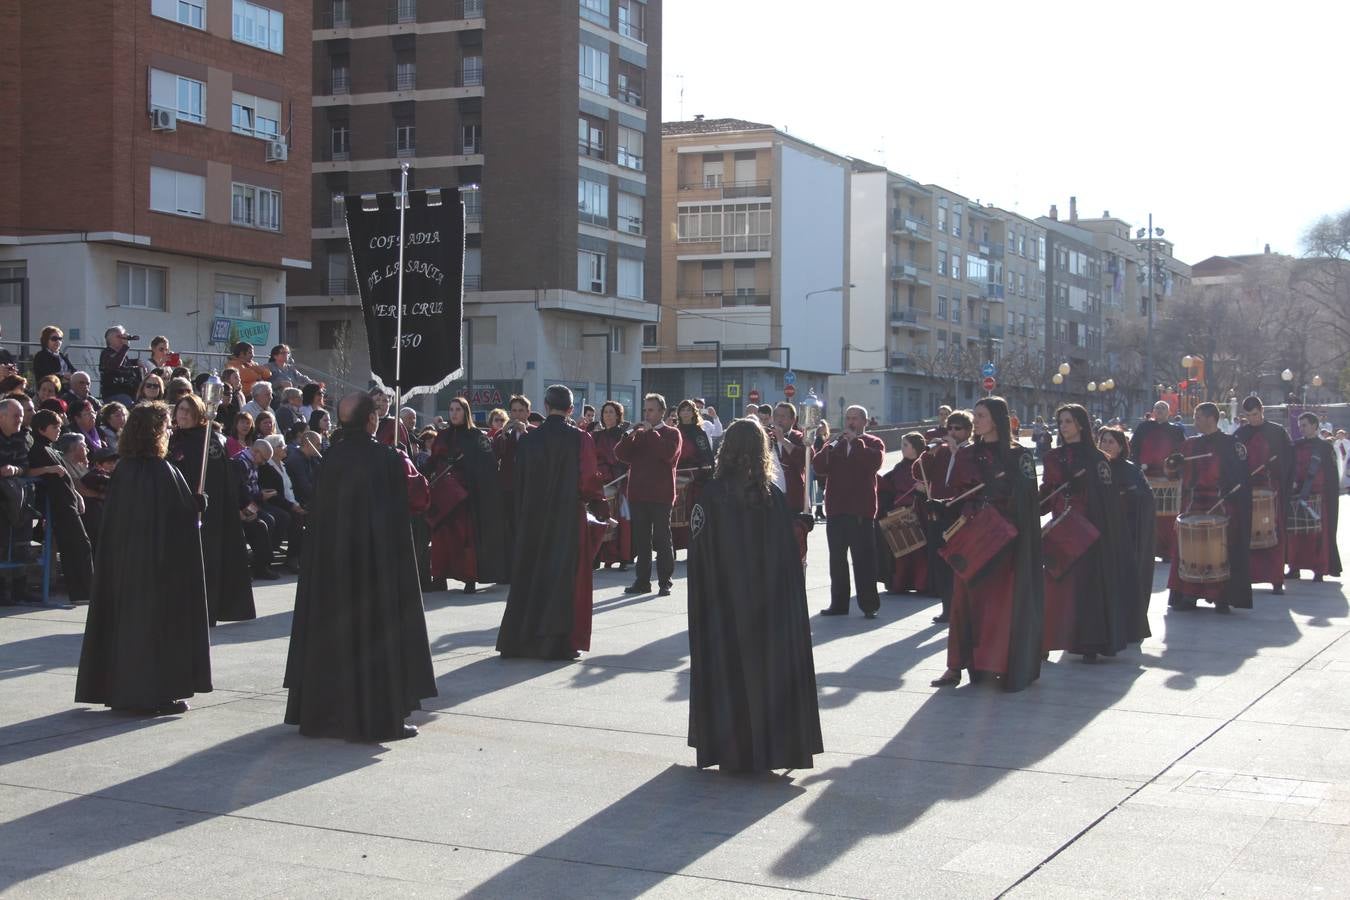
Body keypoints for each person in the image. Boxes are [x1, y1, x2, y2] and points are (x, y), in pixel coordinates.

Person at [283, 392, 436, 741]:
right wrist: (407, 462)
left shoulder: (331, 459)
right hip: (376, 564)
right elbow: (419, 497)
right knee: (376, 635)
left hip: (333, 566)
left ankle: (327, 714)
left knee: (334, 633)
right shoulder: (387, 458)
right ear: (372, 421)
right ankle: (377, 713)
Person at [686, 418, 824, 773]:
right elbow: (784, 556)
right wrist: (799, 526)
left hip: (724, 609)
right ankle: (768, 748)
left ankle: (731, 747)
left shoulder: (712, 496)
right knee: (764, 674)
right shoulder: (772, 498)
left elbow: (700, 555)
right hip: (765, 612)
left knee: (730, 672)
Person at [75, 401, 211, 715]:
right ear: (154, 432)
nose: (169, 431)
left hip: (126, 568)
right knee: (155, 629)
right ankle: (154, 692)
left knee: (129, 628)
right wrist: (197, 505)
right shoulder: (161, 471)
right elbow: (176, 519)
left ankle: (126, 689)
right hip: (157, 569)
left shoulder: (124, 470)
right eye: (165, 427)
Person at [930, 397, 1044, 690]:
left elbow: (1028, 499)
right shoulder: (967, 453)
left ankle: (998, 664)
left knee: (998, 604)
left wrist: (1002, 493)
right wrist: (943, 506)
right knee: (963, 600)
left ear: (996, 419)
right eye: (975, 415)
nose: (976, 421)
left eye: (981, 415)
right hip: (971, 533)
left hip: (1004, 536)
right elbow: (957, 491)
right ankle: (955, 666)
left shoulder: (1020, 455)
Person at [496, 386, 606, 659]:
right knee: (564, 576)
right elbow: (589, 480)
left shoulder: (529, 440)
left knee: (530, 573)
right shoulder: (581, 439)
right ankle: (557, 642)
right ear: (571, 409)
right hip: (567, 515)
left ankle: (521, 639)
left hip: (533, 515)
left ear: (545, 406)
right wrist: (599, 505)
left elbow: (518, 481)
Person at [1039, 404, 1127, 662]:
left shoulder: (1098, 459)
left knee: (1084, 589)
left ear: (1080, 424)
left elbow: (1107, 499)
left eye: (1068, 421)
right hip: (1059, 529)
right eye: (1060, 421)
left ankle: (1087, 641)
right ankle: (1044, 639)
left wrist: (1084, 488)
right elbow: (1047, 491)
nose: (1063, 426)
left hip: (1086, 530)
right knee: (1054, 585)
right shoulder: (1052, 458)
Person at [169, 394, 256, 625]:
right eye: (180, 410)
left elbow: (223, 477)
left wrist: (238, 502)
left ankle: (206, 610)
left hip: (209, 513)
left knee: (207, 561)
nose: (183, 415)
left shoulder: (209, 440)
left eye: (188, 410)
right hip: (179, 511)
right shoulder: (172, 438)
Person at [1165, 402, 1252, 614]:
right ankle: (1189, 594)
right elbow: (1172, 473)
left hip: (1222, 503)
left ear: (1211, 418)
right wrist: (1172, 464)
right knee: (1190, 548)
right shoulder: (1189, 445)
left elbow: (1241, 477)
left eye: (1197, 418)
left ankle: (1221, 596)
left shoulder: (1231, 444)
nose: (1194, 422)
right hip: (1194, 503)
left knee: (1220, 551)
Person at [428, 397, 509, 593]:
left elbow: (488, 465)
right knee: (441, 537)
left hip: (465, 496)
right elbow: (433, 461)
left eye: (458, 409)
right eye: (451, 409)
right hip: (443, 495)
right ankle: (439, 577)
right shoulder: (442, 435)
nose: (454, 413)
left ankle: (469, 578)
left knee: (465, 538)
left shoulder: (476, 436)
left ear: (466, 412)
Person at [812, 405, 885, 618]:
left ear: (865, 422)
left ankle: (869, 605)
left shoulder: (872, 443)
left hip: (861, 512)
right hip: (836, 510)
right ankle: (839, 604)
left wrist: (856, 443)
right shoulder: (836, 443)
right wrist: (829, 447)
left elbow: (874, 463)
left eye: (855, 419)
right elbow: (818, 466)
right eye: (848, 418)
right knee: (837, 560)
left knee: (863, 560)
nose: (850, 422)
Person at [615, 393, 682, 596]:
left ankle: (665, 582)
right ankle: (642, 582)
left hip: (661, 496)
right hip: (638, 494)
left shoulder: (672, 433)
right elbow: (620, 454)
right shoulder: (640, 434)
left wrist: (652, 432)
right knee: (642, 541)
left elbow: (667, 455)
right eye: (645, 410)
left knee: (662, 539)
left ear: (662, 412)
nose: (647, 414)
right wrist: (630, 436)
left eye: (651, 410)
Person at [28, 409, 94, 606]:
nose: (58, 430)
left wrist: (77, 496)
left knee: (81, 545)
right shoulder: (37, 449)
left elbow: (65, 476)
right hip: (59, 505)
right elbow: (28, 471)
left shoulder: (51, 448)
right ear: (41, 429)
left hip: (69, 502)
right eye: (54, 427)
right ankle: (83, 592)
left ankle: (86, 591)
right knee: (78, 546)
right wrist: (48, 469)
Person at [1098, 427, 1155, 647]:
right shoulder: (1096, 468)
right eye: (1103, 441)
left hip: (1127, 535)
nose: (1106, 446)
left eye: (1112, 442)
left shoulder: (1131, 470)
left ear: (1122, 446)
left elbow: (1145, 500)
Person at [1233, 396, 1294, 594]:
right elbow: (1234, 462)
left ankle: (1276, 579)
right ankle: (1249, 576)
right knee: (1247, 535)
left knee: (1274, 534)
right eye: (1249, 415)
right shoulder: (1240, 434)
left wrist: (1280, 480)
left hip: (1272, 490)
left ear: (1262, 410)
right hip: (1247, 491)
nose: (1253, 419)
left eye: (1256, 414)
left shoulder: (1277, 432)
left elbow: (1288, 460)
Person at [917, 411, 972, 623]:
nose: (952, 432)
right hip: (938, 511)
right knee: (941, 563)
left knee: (958, 563)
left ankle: (961, 609)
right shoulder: (942, 452)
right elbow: (919, 472)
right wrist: (929, 454)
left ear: (968, 431)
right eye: (950, 428)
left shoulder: (970, 451)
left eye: (957, 428)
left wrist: (957, 451)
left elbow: (968, 477)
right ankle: (947, 608)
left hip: (959, 513)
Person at [1286, 412, 1341, 583]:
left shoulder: (1325, 448)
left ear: (1315, 426)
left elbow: (1331, 476)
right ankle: (1294, 568)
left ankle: (1319, 570)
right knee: (1296, 535)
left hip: (1318, 498)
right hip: (1298, 497)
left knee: (1319, 536)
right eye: (1300, 425)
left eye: (1305, 425)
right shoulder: (1295, 446)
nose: (1301, 428)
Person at [1131, 400, 1186, 561]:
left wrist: (1174, 469)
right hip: (1146, 477)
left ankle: (1168, 552)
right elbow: (1134, 447)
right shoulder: (1143, 427)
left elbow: (1181, 452)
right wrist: (1136, 466)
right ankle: (1146, 550)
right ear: (1153, 411)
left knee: (1168, 518)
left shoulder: (1176, 431)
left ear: (1169, 412)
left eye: (1163, 408)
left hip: (1168, 478)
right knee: (1147, 516)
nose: (1160, 410)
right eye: (1157, 408)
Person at [878, 432, 929, 595]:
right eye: (902, 445)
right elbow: (888, 485)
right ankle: (900, 583)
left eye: (905, 445)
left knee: (919, 551)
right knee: (900, 550)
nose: (902, 449)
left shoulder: (924, 465)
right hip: (899, 512)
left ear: (915, 447)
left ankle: (921, 583)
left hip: (918, 512)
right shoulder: (899, 467)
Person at [492, 394, 535, 568]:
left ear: (528, 412)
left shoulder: (534, 432)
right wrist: (502, 435)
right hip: (508, 486)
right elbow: (496, 455)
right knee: (508, 526)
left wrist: (524, 432)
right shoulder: (504, 433)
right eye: (514, 411)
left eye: (521, 411)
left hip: (527, 486)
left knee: (525, 526)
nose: (517, 415)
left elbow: (535, 455)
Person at [592, 401, 632, 570]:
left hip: (621, 479)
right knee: (597, 515)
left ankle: (623, 557)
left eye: (611, 412)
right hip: (602, 479)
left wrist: (629, 469)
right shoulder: (596, 436)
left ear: (618, 416)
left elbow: (629, 456)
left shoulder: (623, 435)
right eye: (605, 412)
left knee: (623, 518)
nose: (607, 415)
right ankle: (598, 555)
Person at [672, 399, 714, 554]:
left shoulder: (699, 433)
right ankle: (673, 546)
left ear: (693, 413)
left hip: (694, 477)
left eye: (689, 410)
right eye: (683, 410)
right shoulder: (674, 431)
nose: (685, 413)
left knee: (692, 512)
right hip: (676, 475)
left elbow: (706, 455)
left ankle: (693, 545)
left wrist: (705, 467)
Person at [770, 402, 810, 560]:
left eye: (783, 417)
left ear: (793, 420)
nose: (779, 420)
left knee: (794, 549)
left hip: (793, 501)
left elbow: (806, 459)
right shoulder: (765, 437)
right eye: (776, 416)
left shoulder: (800, 437)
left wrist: (783, 441)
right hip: (771, 501)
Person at [99, 325, 142, 405]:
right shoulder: (106, 353)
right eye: (119, 337)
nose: (122, 339)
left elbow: (124, 363)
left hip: (130, 392)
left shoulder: (122, 354)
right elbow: (114, 365)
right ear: (110, 339)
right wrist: (125, 347)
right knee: (130, 405)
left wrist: (136, 362)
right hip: (115, 393)